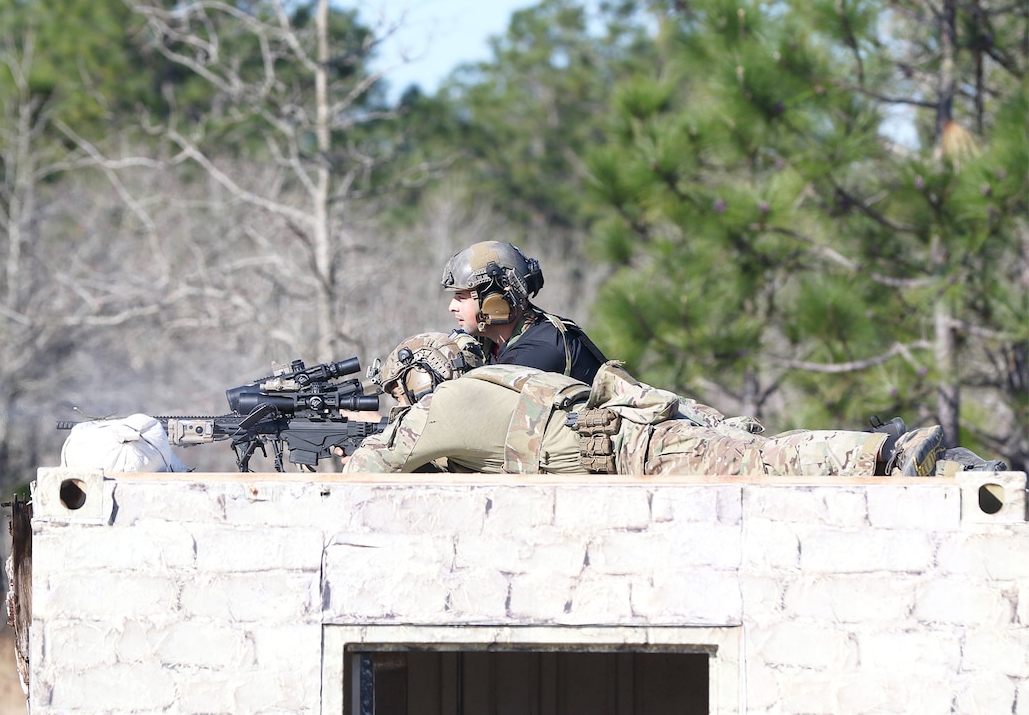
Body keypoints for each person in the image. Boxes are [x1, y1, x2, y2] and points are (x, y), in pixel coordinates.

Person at [345, 332, 999, 477]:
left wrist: (345, 446)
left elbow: (370, 469)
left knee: (762, 464)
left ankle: (888, 453)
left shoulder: (449, 401)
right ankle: (913, 459)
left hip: (636, 450)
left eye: (403, 392)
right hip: (636, 432)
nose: (403, 405)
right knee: (756, 455)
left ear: (428, 374)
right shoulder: (498, 378)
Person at [440, 240, 608, 385]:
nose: (452, 306)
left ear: (494, 300)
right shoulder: (491, 342)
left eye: (460, 296)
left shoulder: (538, 350)